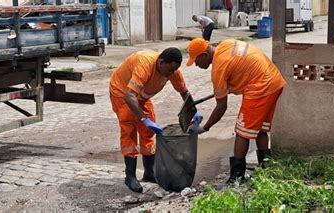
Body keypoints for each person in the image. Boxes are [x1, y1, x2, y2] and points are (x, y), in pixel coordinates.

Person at [186, 38, 286, 184]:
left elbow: (221, 107)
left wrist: (205, 127)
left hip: (260, 87)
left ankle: (236, 177)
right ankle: (267, 169)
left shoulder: (219, 68)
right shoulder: (225, 44)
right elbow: (239, 67)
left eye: (196, 60)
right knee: (260, 129)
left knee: (241, 132)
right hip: (274, 80)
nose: (196, 64)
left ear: (205, 54)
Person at [109, 48, 192, 193]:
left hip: (140, 96)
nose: (171, 74)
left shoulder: (173, 70)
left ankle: (149, 173)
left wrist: (193, 111)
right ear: (161, 62)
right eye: (169, 70)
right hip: (122, 92)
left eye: (174, 71)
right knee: (129, 128)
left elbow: (184, 92)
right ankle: (130, 176)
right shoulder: (145, 65)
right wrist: (143, 118)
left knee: (148, 130)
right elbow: (129, 97)